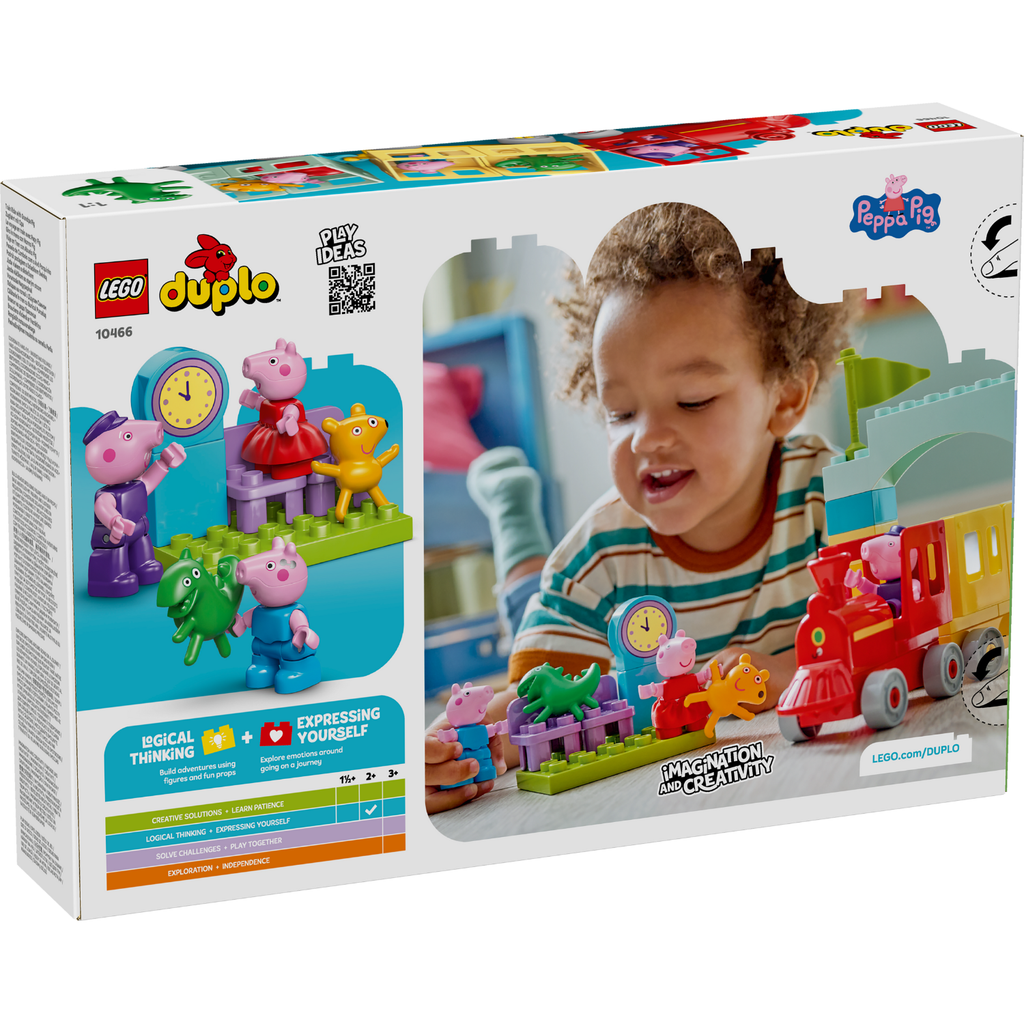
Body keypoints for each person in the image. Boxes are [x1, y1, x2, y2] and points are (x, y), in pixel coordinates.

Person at [425, 202, 857, 813]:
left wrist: (786, 671)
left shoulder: (833, 499)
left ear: (785, 398)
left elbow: (895, 629)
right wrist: (460, 744)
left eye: (693, 400)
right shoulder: (595, 556)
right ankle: (513, 513)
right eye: (621, 412)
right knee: (528, 591)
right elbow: (532, 704)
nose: (646, 438)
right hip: (573, 594)